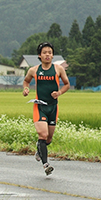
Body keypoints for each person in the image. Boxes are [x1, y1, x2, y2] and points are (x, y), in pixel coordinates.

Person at [22, 41, 71, 176]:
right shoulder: (34, 70)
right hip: (40, 106)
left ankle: (40, 149)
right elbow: (26, 81)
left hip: (53, 107)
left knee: (48, 139)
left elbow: (67, 84)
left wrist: (59, 93)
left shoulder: (58, 69)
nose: (47, 55)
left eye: (50, 52)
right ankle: (46, 164)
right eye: (45, 52)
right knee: (42, 135)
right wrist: (26, 89)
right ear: (40, 55)